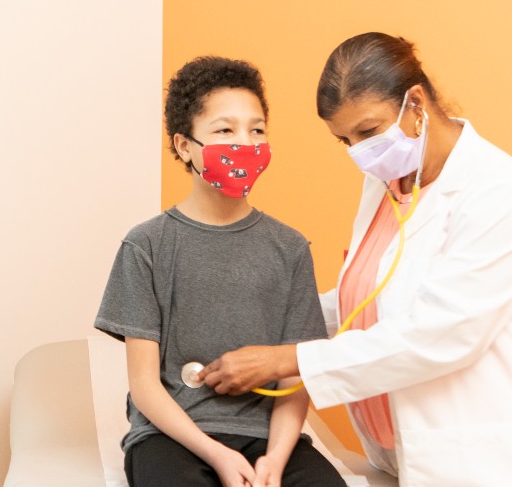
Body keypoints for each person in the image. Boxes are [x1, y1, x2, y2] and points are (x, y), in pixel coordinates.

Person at [198, 33, 512, 486]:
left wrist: (288, 358)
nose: (360, 152)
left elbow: (442, 333)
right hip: (403, 452)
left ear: (415, 103)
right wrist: (264, 323)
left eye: (368, 131)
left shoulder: (499, 192)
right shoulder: (389, 180)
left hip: (489, 462)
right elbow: (367, 296)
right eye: (345, 140)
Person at [94, 56, 345, 487]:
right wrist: (217, 455)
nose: (244, 144)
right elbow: (144, 385)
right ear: (183, 146)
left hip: (268, 440)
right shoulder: (146, 246)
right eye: (225, 130)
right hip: (169, 438)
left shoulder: (289, 248)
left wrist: (275, 462)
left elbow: (294, 377)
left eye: (257, 130)